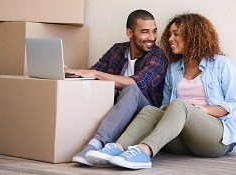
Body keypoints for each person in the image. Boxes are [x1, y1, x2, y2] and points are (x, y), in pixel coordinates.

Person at [84, 13, 236, 169]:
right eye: (169, 35)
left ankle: (144, 152)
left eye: (176, 34)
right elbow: (165, 106)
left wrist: (202, 110)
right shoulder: (174, 69)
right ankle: (117, 148)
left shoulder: (220, 64)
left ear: (192, 35)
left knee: (180, 105)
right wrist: (173, 108)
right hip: (182, 141)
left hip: (215, 140)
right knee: (151, 110)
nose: (169, 39)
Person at [66, 9, 168, 166]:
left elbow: (137, 83)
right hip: (117, 115)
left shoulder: (158, 57)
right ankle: (87, 143)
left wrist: (94, 73)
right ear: (130, 33)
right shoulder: (117, 50)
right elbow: (94, 75)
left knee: (131, 89)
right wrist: (71, 73)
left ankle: (95, 144)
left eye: (154, 31)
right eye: (145, 32)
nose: (152, 37)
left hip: (145, 117)